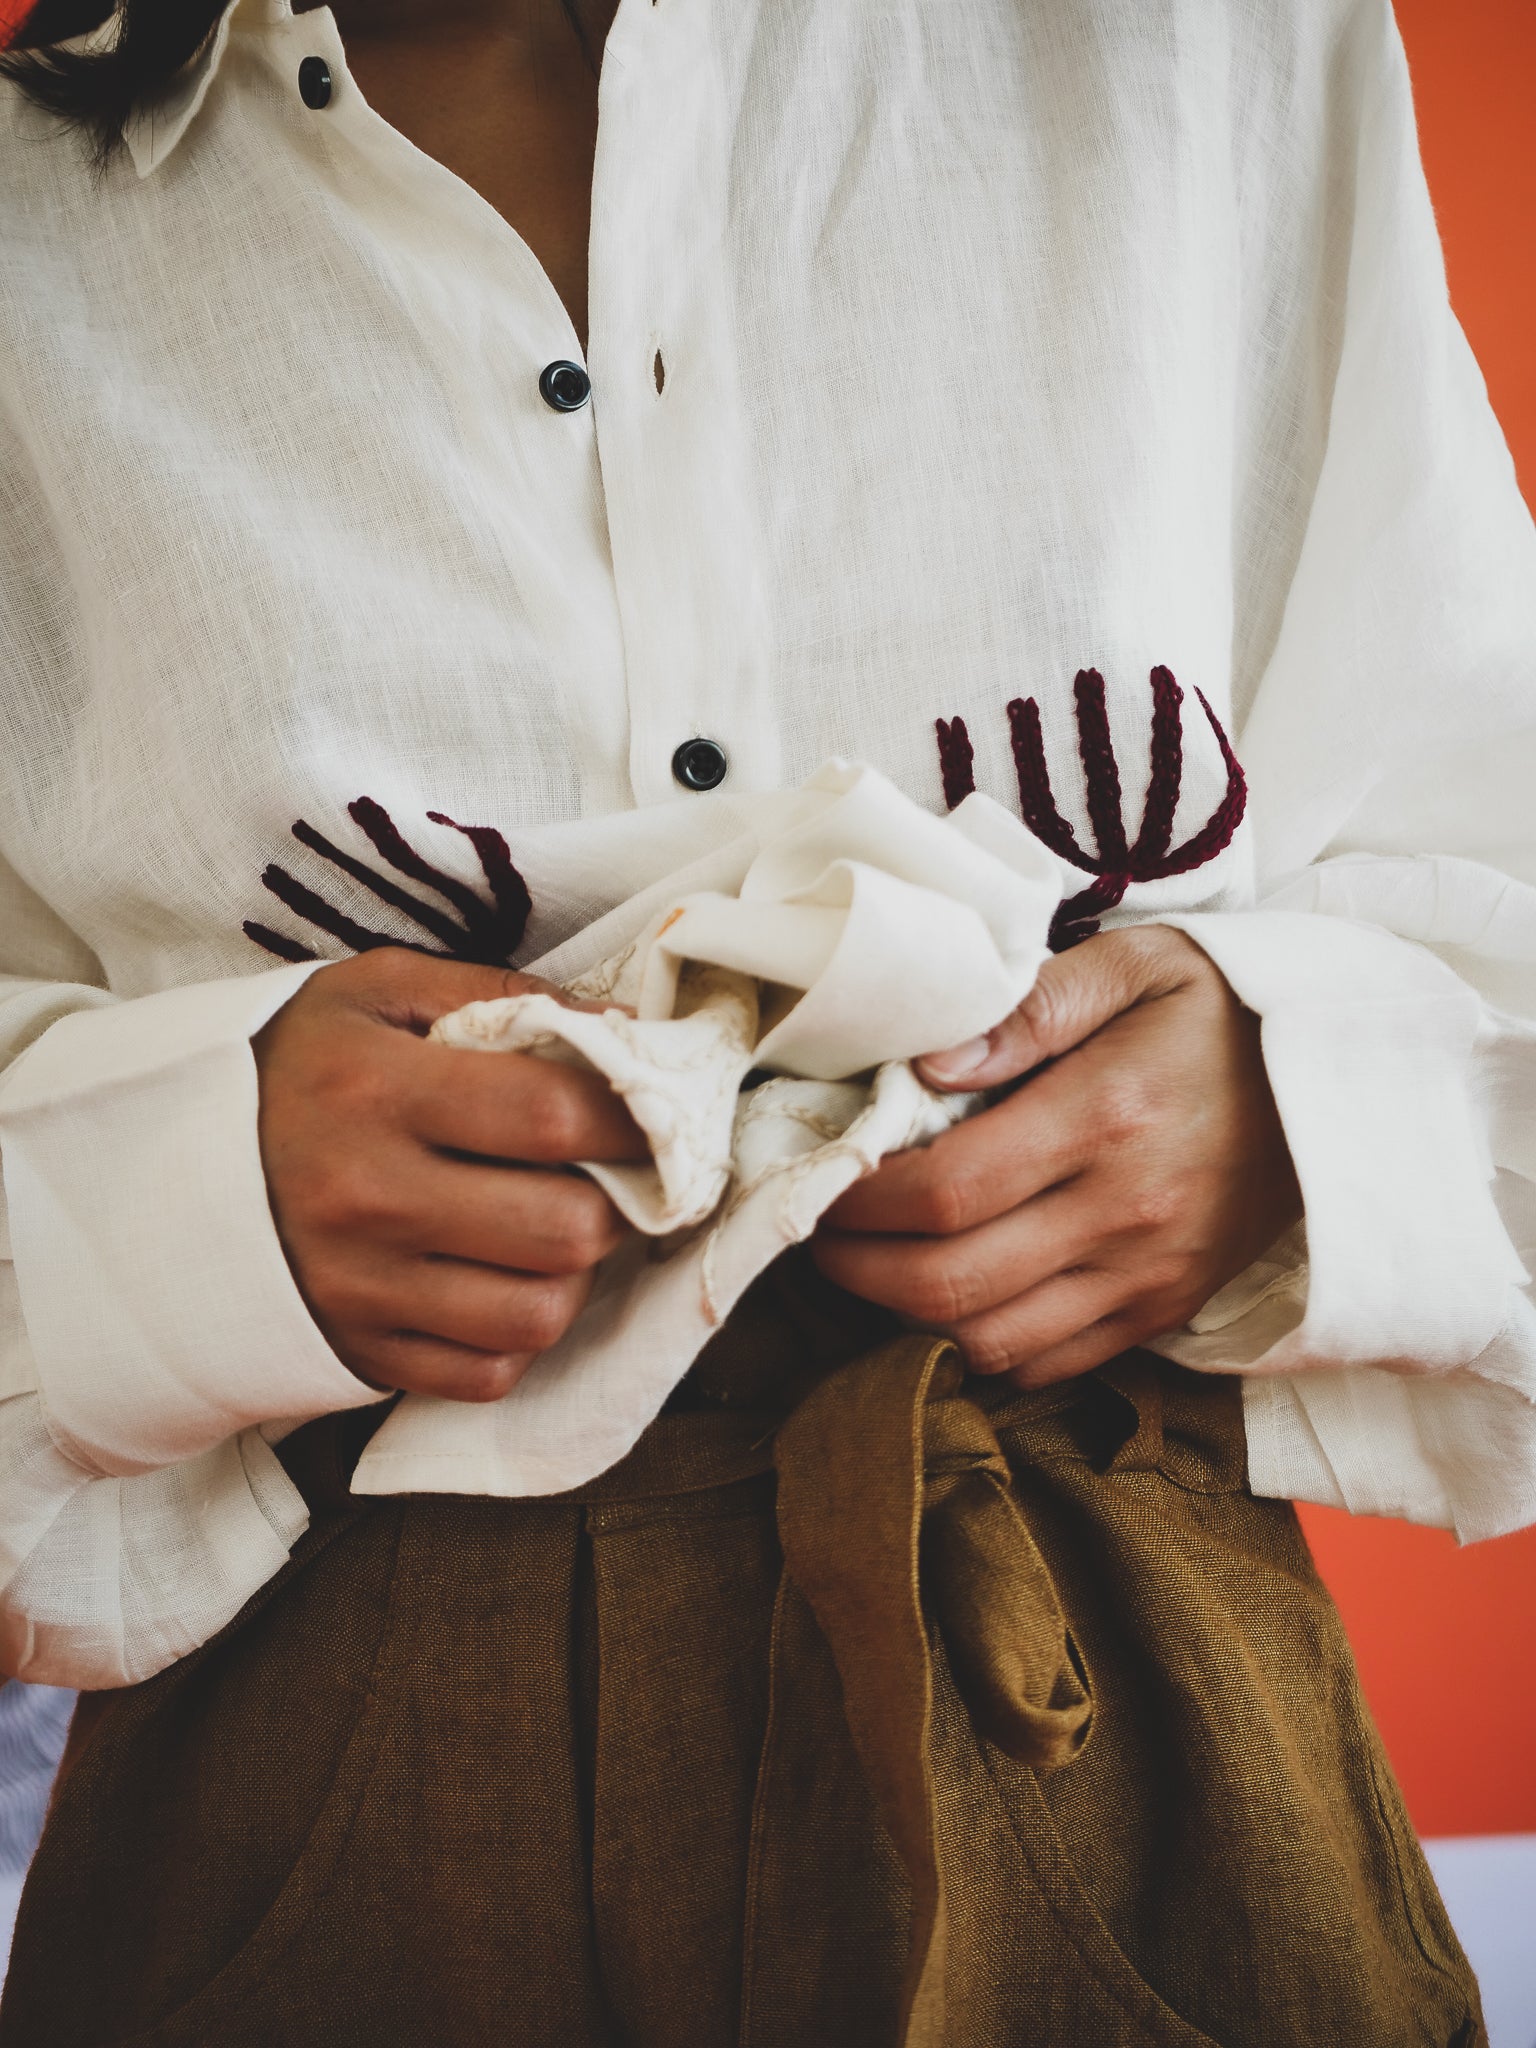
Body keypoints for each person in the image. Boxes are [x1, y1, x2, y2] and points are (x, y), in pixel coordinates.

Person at [0, 0, 1530, 2040]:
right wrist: (180, 1194)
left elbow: (1491, 849)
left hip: (1119, 1692)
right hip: (310, 1788)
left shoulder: (1204, 49)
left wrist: (1288, 1097)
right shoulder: (33, 230)